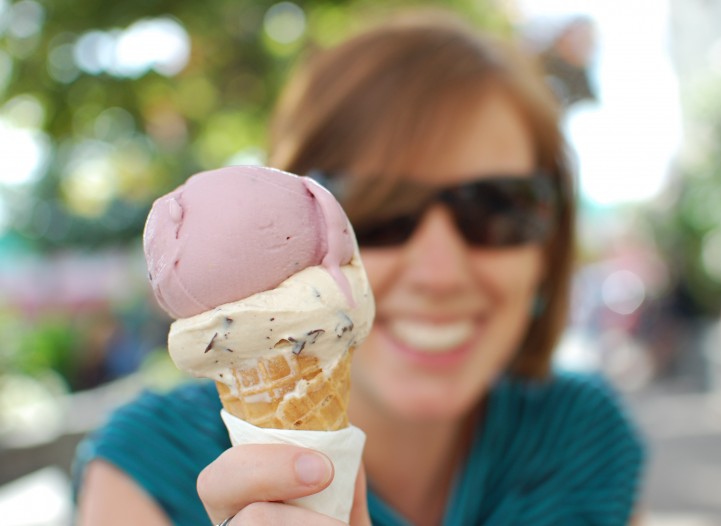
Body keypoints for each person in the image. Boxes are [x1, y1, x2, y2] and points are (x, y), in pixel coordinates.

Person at [73, 9, 645, 526]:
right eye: (379, 212)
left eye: (495, 208)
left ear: (548, 247)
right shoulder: (148, 466)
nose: (439, 272)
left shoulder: (584, 438)